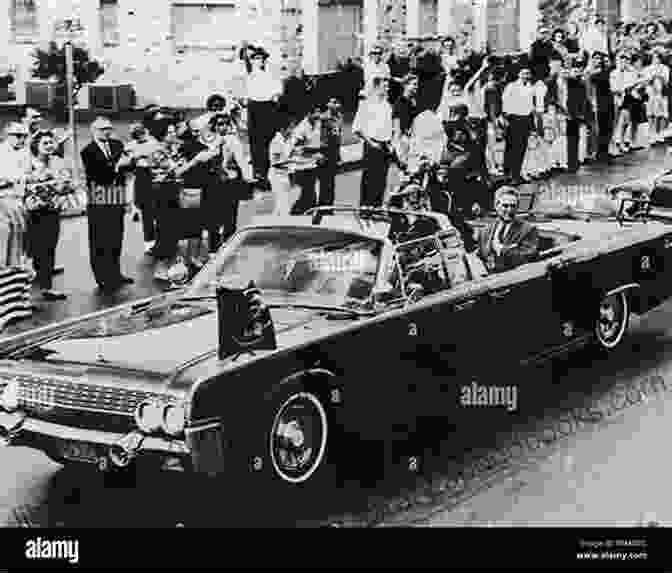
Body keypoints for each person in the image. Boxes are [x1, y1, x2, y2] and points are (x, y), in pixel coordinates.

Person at [80, 116, 136, 293]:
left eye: (109, 128)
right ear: (94, 131)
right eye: (103, 129)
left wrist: (129, 163)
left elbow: (127, 168)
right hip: (98, 197)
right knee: (99, 238)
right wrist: (118, 166)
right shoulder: (87, 151)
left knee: (115, 236)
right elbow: (99, 175)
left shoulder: (118, 145)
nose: (107, 131)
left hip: (116, 195)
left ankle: (115, 273)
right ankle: (102, 277)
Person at [24, 129, 82, 300]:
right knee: (34, 249)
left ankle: (46, 287)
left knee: (49, 247)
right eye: (45, 143)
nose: (49, 146)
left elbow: (68, 185)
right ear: (36, 146)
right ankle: (30, 287)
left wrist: (66, 185)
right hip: (33, 211)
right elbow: (24, 186)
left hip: (52, 210)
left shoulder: (58, 162)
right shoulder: (28, 163)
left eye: (51, 143)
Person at [0, 122, 33, 327]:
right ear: (7, 135)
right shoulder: (2, 152)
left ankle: (16, 301)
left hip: (18, 203)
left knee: (18, 250)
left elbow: (25, 178)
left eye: (23, 136)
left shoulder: (23, 154)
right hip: (2, 202)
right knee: (4, 251)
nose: (21, 139)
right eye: (17, 136)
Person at [243, 46, 283, 187]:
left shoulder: (269, 76)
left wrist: (274, 98)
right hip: (254, 109)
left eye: (260, 58)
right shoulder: (249, 77)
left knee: (266, 142)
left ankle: (264, 174)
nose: (258, 61)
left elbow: (277, 93)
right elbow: (246, 96)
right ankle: (258, 174)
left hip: (267, 108)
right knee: (255, 143)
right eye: (255, 58)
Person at [353, 75, 394, 207]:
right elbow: (357, 128)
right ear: (376, 87)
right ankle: (365, 209)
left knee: (381, 179)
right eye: (384, 86)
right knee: (369, 179)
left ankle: (376, 207)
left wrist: (390, 144)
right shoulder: (366, 104)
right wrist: (371, 143)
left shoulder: (387, 105)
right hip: (371, 145)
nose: (387, 88)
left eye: (388, 86)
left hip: (385, 146)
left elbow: (389, 127)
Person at [477, 186, 539, 273]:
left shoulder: (528, 230)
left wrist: (502, 250)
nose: (509, 210)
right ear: (496, 206)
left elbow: (529, 256)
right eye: (505, 206)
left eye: (513, 206)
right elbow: (480, 257)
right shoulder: (485, 232)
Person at [124, 122, 161, 254]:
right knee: (146, 212)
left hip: (154, 174)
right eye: (136, 134)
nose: (140, 136)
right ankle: (149, 242)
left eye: (141, 132)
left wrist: (149, 157)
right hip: (141, 176)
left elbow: (159, 157)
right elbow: (127, 164)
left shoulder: (154, 142)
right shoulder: (131, 146)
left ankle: (159, 240)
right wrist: (134, 158)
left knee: (158, 210)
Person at [501, 67, 536, 184]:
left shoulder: (531, 88)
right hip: (513, 119)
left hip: (525, 120)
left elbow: (531, 106)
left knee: (521, 148)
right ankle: (508, 175)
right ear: (518, 74)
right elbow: (505, 102)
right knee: (511, 147)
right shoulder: (511, 86)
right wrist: (506, 118)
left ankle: (516, 174)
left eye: (528, 73)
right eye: (524, 73)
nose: (526, 75)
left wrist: (532, 124)